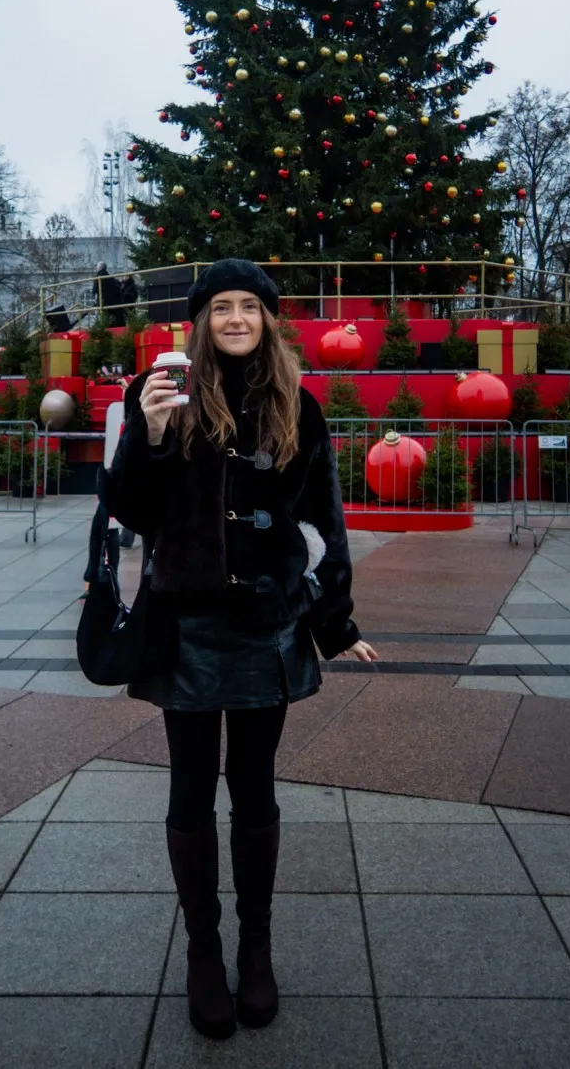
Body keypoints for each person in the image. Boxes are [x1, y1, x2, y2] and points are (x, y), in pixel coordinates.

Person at [105, 258, 378, 1041]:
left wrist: (336, 622)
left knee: (254, 789)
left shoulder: (298, 403)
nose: (234, 318)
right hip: (185, 626)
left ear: (267, 318)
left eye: (248, 306)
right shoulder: (161, 391)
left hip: (267, 624)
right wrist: (153, 436)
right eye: (220, 306)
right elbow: (128, 509)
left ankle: (256, 949)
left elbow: (324, 519)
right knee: (191, 790)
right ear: (200, 320)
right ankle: (203, 952)